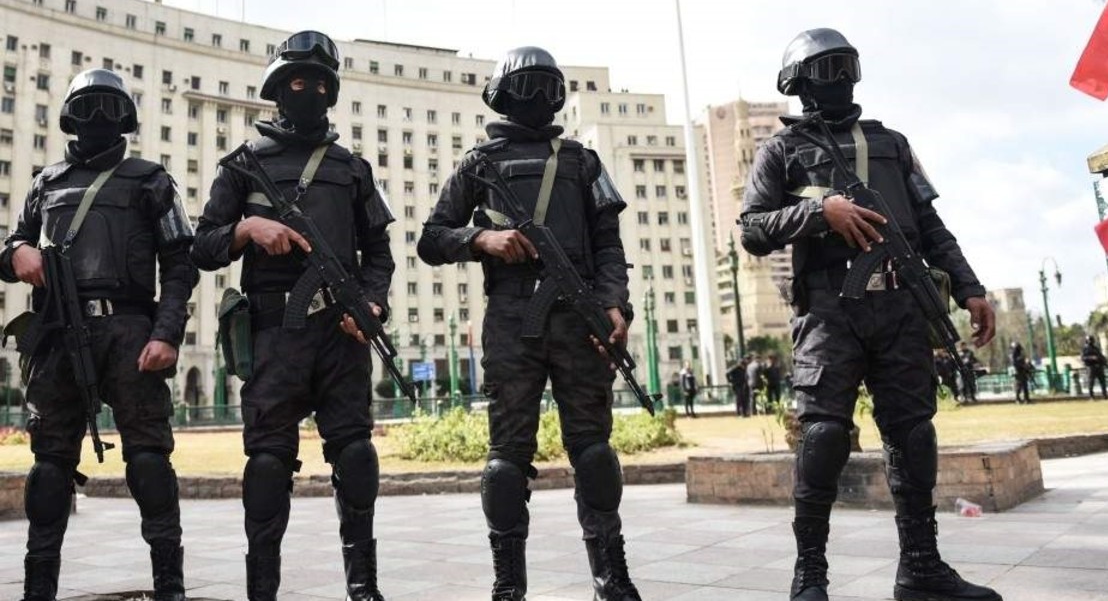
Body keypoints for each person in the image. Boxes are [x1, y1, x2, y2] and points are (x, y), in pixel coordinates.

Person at [739, 28, 1000, 601]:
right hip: (828, 311)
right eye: (824, 69)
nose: (838, 80)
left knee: (913, 433)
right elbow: (752, 229)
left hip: (901, 306)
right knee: (824, 434)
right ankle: (810, 574)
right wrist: (819, 213)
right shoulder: (781, 150)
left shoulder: (893, 144)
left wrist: (969, 288)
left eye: (845, 67)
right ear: (797, 82)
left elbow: (929, 225)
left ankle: (922, 569)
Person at [417, 46, 641, 601]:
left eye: (547, 87)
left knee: (594, 451)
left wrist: (615, 304)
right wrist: (481, 239)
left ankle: (612, 579)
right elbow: (432, 238)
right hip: (512, 317)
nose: (538, 98)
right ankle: (508, 585)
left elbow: (609, 246)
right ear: (503, 95)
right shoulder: (478, 163)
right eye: (527, 86)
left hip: (580, 316)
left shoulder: (583, 162)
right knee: (507, 458)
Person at [189, 31, 394, 600]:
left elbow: (379, 254)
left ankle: (364, 587)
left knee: (355, 453)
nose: (310, 92)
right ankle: (262, 590)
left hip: (340, 334)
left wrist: (373, 304)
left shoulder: (352, 169)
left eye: (320, 84)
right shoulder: (242, 165)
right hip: (274, 333)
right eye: (298, 81)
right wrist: (246, 229)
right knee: (267, 463)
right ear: (278, 89)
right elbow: (201, 246)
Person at [1, 69, 197, 601]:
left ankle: (170, 585)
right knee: (49, 465)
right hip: (58, 333)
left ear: (125, 118)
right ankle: (38, 586)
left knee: (149, 459)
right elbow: (13, 244)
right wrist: (17, 254)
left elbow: (180, 265)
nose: (96, 119)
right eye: (85, 108)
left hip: (130, 330)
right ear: (70, 117)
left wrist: (167, 334)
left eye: (108, 108)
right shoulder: (45, 182)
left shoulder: (151, 180)